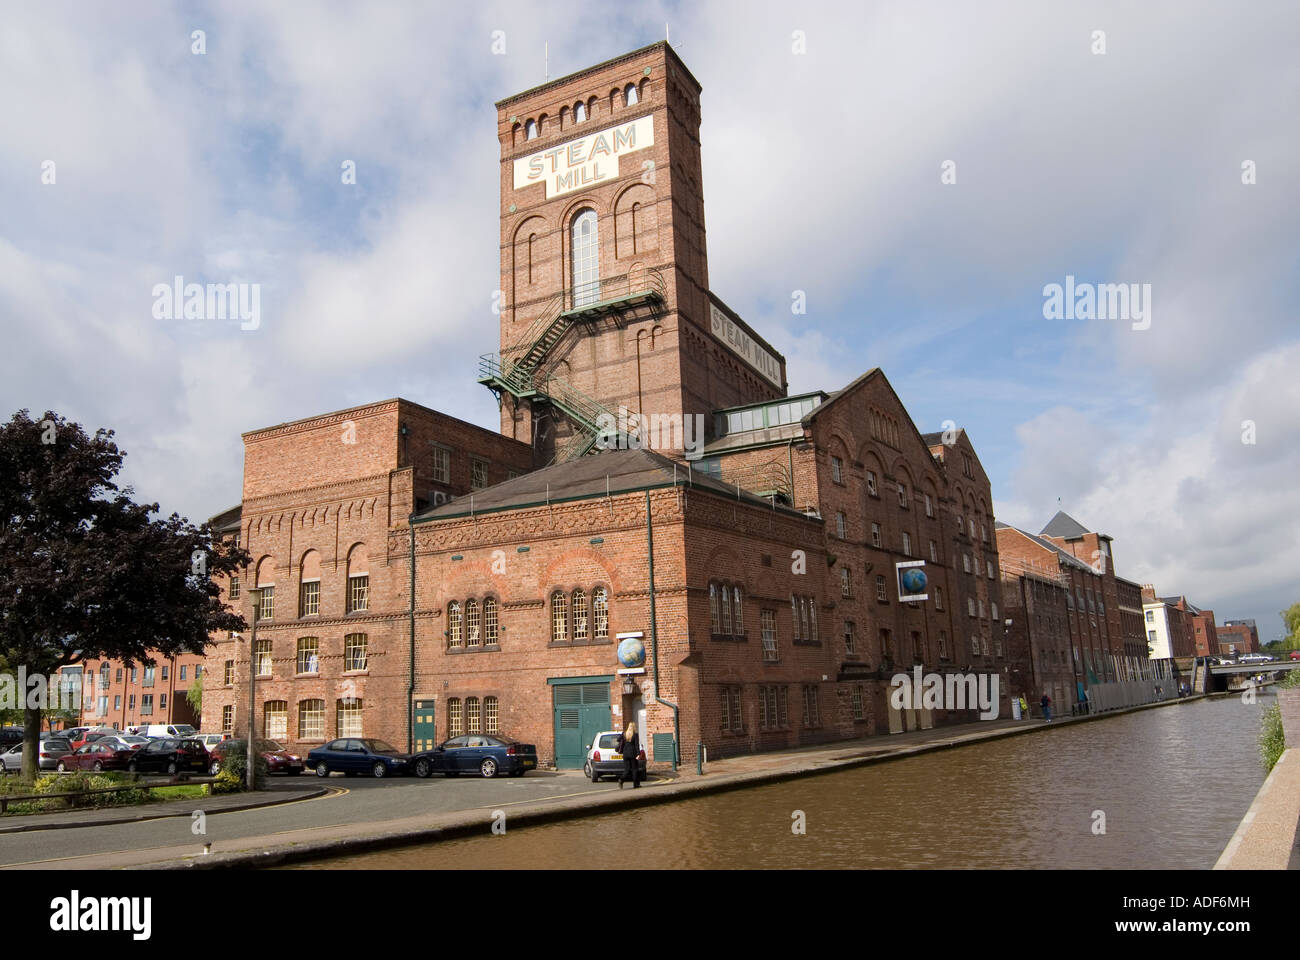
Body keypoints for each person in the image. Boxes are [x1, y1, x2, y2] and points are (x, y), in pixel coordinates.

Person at [616, 721, 641, 789]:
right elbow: (636, 745)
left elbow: (618, 739)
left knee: (627, 769)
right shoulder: (635, 734)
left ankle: (621, 779)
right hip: (633, 753)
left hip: (625, 753)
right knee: (635, 769)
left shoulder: (624, 734)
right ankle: (636, 784)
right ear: (634, 727)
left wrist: (622, 739)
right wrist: (638, 754)